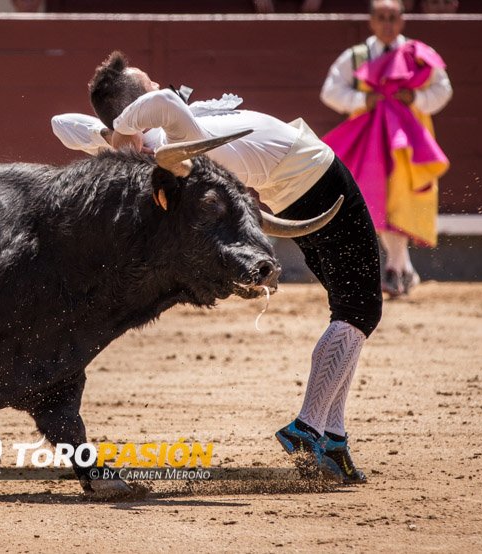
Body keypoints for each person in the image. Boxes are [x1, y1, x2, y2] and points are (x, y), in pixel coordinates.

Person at [52, 51, 382, 484]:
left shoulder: (147, 150)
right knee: (360, 310)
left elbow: (60, 123)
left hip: (291, 193)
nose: (158, 84)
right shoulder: (174, 134)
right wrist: (122, 130)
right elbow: (166, 101)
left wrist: (111, 134)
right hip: (318, 178)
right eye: (148, 81)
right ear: (137, 104)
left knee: (349, 309)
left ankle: (332, 438)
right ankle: (309, 426)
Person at [320, 0, 452, 297]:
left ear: (402, 20)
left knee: (399, 199)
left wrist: (415, 99)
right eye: (382, 17)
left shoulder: (418, 55)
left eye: (393, 17)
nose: (388, 24)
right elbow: (330, 92)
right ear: (371, 21)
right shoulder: (356, 57)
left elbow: (443, 90)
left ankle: (396, 268)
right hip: (369, 138)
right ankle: (399, 268)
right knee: (374, 199)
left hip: (406, 138)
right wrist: (363, 102)